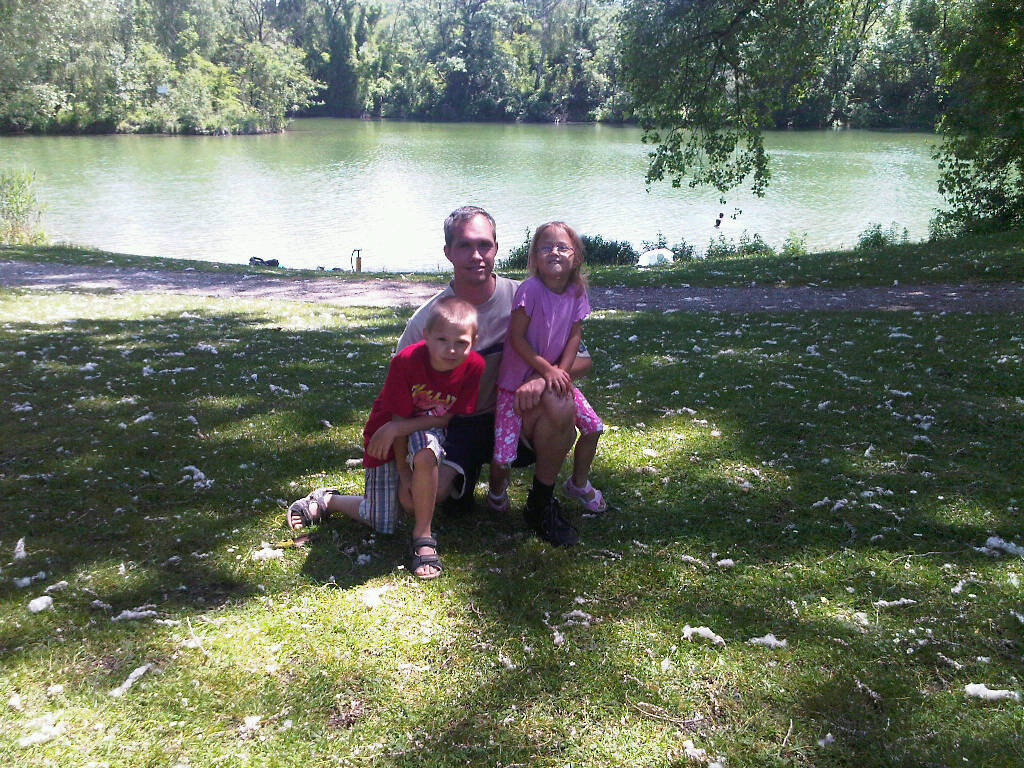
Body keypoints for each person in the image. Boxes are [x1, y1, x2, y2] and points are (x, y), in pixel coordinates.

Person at [395, 206, 593, 547]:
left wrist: (541, 379)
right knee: (414, 501)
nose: (476, 255)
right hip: (456, 426)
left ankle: (541, 504)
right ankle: (464, 474)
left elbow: (584, 359)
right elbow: (400, 395)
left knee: (560, 402)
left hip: (517, 412)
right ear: (448, 252)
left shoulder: (527, 294)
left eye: (484, 245)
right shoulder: (426, 320)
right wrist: (402, 467)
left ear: (496, 248)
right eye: (464, 246)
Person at [286, 296, 484, 579]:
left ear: (474, 341)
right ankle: (328, 500)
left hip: (421, 428)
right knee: (382, 521)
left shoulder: (474, 366)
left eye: (461, 342)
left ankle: (423, 537)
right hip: (386, 430)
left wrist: (403, 442)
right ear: (426, 336)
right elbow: (398, 419)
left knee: (426, 450)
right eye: (442, 340)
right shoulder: (406, 361)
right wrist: (403, 471)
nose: (451, 350)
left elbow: (444, 419)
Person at [489, 221, 605, 516]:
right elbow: (516, 338)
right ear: (534, 258)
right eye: (546, 247)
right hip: (514, 385)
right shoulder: (530, 290)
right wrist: (547, 370)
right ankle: (497, 493)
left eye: (563, 247)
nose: (554, 252)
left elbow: (574, 336)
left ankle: (578, 483)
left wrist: (560, 373)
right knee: (503, 457)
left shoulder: (577, 291)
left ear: (576, 256)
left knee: (594, 427)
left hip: (553, 377)